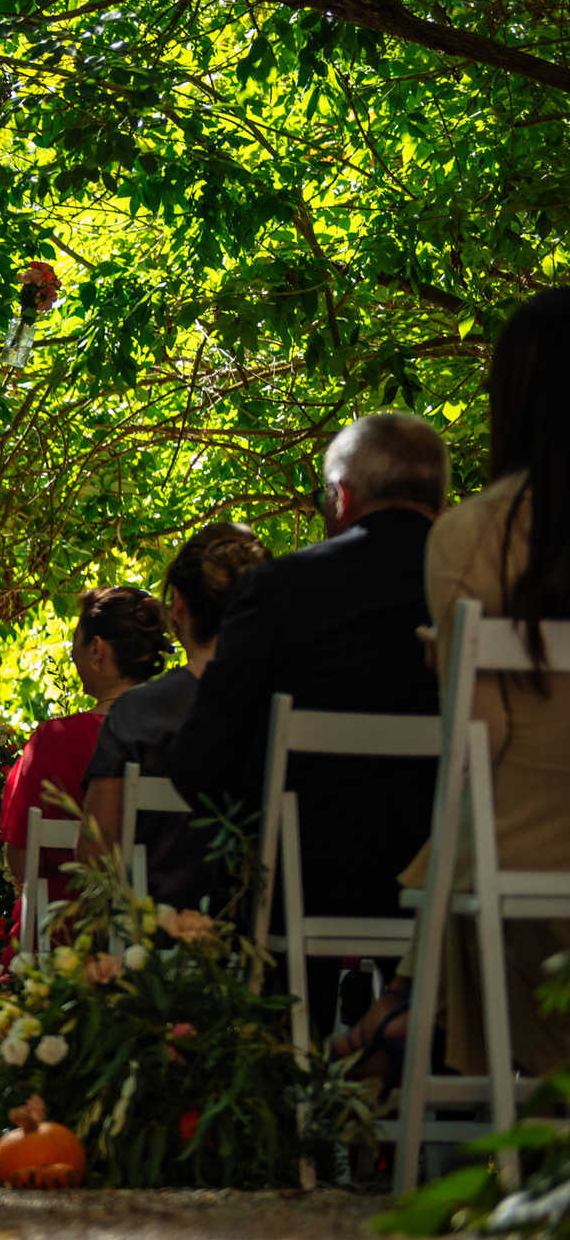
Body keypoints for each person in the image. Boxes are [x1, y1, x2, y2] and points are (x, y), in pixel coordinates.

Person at [347, 300, 570, 1079]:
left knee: (462, 845)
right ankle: (404, 1002)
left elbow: (484, 741)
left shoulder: (476, 533)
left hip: (529, 867)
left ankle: (405, 1001)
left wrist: (451, 666)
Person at [166, 412, 447, 940]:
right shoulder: (487, 589)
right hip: (449, 890)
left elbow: (199, 763)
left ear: (342, 498)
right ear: (443, 502)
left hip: (300, 893)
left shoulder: (280, 588)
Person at [75, 525, 271, 912]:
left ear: (178, 605)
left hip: (156, 934)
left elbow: (95, 859)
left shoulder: (136, 712)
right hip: (273, 931)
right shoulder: (294, 702)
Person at [0, 586, 169, 931]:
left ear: (97, 649)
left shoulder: (53, 741)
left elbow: (22, 865)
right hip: (164, 934)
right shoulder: (181, 738)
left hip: (66, 939)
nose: (72, 654)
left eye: (75, 641)